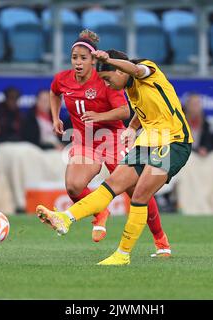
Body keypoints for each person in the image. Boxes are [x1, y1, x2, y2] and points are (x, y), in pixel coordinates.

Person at [36, 49, 193, 265]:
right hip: (147, 142)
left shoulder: (148, 69)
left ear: (120, 71)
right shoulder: (130, 87)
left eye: (108, 79)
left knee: (139, 195)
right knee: (110, 185)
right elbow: (146, 108)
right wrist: (132, 127)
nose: (107, 85)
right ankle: (65, 218)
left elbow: (136, 69)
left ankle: (123, 254)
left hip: (173, 141)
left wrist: (109, 61)